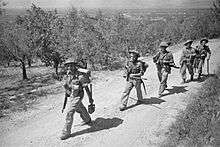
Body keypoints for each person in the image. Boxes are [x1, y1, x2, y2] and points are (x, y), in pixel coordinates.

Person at [60, 58, 92, 140]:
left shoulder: (80, 76)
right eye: (68, 66)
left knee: (70, 112)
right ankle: (87, 119)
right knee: (79, 108)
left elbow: (86, 88)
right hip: (71, 95)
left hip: (78, 95)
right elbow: (67, 86)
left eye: (71, 65)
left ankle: (66, 132)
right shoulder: (67, 75)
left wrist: (90, 99)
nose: (69, 67)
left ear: (75, 66)